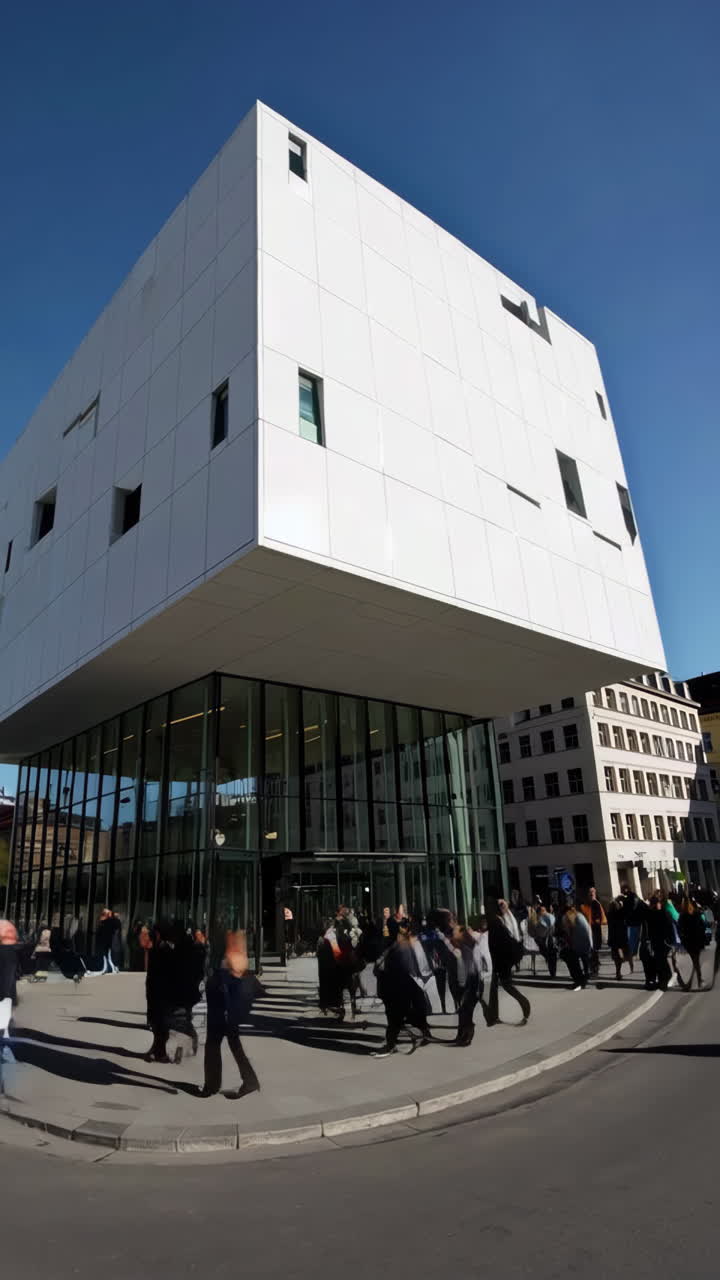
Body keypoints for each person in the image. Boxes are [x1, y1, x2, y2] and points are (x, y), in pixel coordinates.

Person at [199, 931, 262, 1099]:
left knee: (213, 1043)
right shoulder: (230, 952)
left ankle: (212, 1085)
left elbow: (227, 979)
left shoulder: (226, 955)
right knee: (232, 1042)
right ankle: (249, 1080)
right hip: (224, 1003)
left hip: (222, 1004)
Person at [372, 923, 431, 1057]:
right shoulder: (396, 946)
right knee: (400, 1017)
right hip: (397, 988)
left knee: (395, 1018)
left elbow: (405, 969)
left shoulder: (399, 947)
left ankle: (391, 1045)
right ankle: (423, 1032)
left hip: (397, 988)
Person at [144, 920, 198, 1063]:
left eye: (154, 933)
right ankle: (159, 1048)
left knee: (166, 1022)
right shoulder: (160, 948)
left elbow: (166, 973)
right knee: (161, 1022)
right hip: (159, 991)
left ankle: (162, 1050)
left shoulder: (165, 949)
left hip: (163, 992)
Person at [486, 901, 531, 1026]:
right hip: (501, 959)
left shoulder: (500, 921)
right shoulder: (505, 919)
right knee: (495, 986)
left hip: (502, 959)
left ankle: (524, 1004)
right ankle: (493, 1016)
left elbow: (506, 940)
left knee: (506, 985)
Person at [640, 895, 675, 991]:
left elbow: (670, 927)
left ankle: (663, 980)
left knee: (660, 961)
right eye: (655, 904)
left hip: (662, 942)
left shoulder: (663, 913)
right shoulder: (653, 914)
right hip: (657, 942)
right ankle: (661, 980)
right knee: (659, 961)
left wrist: (670, 941)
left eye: (657, 903)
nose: (657, 905)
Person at [558, 904, 593, 990]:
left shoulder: (568, 918)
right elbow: (588, 929)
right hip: (586, 943)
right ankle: (584, 978)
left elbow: (568, 935)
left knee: (572, 962)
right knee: (584, 961)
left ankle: (579, 980)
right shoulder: (580, 916)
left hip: (577, 945)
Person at [677, 899, 706, 990]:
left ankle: (691, 982)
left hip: (688, 941)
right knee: (696, 961)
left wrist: (682, 939)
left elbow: (679, 929)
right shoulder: (697, 914)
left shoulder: (682, 916)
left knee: (692, 962)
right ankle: (699, 980)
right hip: (697, 940)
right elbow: (703, 925)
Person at [0, 920, 20, 1052]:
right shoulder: (6, 924)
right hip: (10, 953)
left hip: (5, 953)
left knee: (4, 990)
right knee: (7, 985)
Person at [581, 889, 607, 974]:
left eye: (593, 892)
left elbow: (598, 918)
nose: (591, 894)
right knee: (591, 950)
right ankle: (593, 966)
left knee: (593, 949)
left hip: (594, 930)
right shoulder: (585, 904)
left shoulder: (596, 903)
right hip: (588, 929)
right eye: (590, 892)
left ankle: (594, 967)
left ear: (595, 894)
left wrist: (595, 922)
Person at [528, 902, 557, 978]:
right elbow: (531, 931)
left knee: (552, 954)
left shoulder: (549, 917)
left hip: (549, 939)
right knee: (548, 954)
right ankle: (551, 968)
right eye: (542, 910)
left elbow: (553, 930)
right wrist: (537, 937)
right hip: (540, 940)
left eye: (545, 910)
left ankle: (552, 972)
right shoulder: (535, 920)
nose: (544, 912)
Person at [606, 897, 632, 980]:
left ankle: (618, 972)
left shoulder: (609, 914)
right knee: (624, 955)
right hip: (622, 938)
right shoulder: (620, 913)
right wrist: (622, 900)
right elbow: (626, 909)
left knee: (616, 957)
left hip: (613, 938)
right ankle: (625, 969)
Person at [620, 885, 644, 958]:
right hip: (636, 921)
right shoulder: (633, 896)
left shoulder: (631, 898)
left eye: (622, 889)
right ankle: (634, 953)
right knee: (635, 938)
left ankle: (631, 953)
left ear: (626, 889)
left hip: (633, 921)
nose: (621, 891)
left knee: (632, 939)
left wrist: (623, 901)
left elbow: (630, 909)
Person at [95, 908, 119, 974]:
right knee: (106, 956)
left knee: (107, 956)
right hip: (107, 942)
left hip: (106, 942)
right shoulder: (109, 921)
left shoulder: (106, 922)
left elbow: (99, 932)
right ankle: (106, 968)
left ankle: (113, 968)